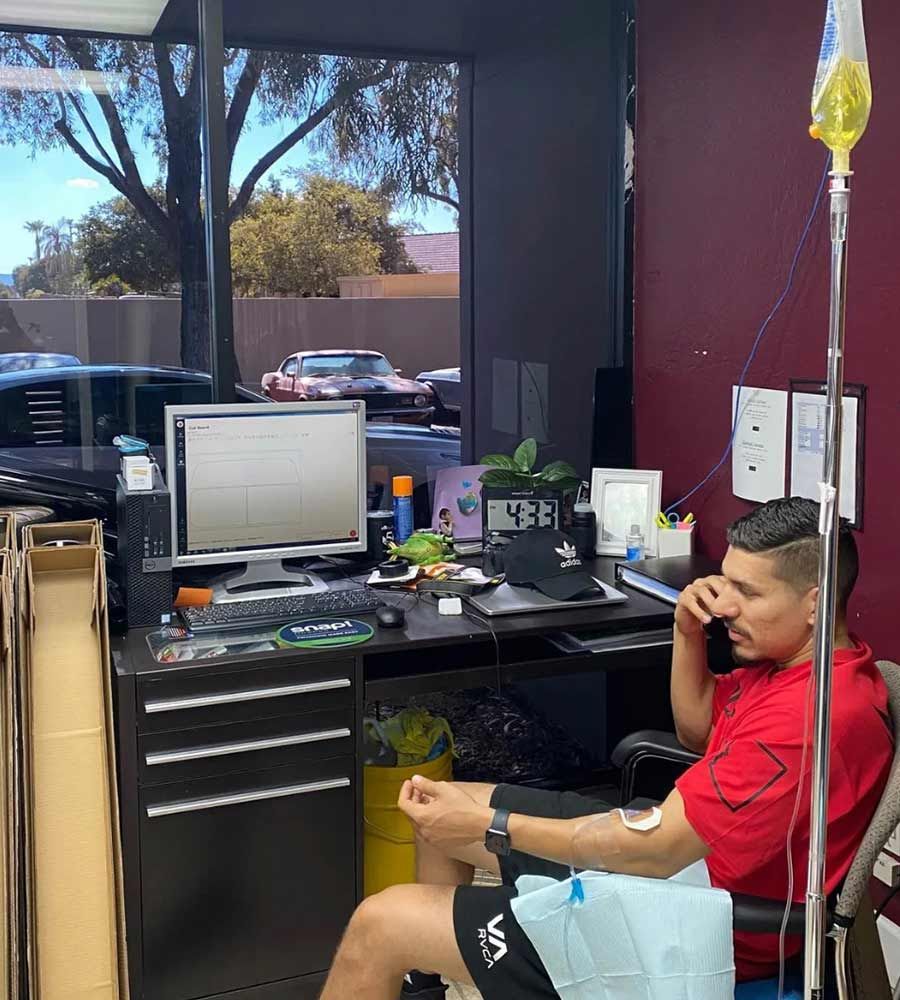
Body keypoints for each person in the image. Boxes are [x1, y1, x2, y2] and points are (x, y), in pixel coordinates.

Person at [319, 497, 893, 1000]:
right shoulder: (805, 668)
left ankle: (435, 950)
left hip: (699, 926)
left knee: (380, 923)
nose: (724, 607)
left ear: (815, 604)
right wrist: (686, 632)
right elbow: (698, 733)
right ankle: (460, 962)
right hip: (684, 862)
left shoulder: (805, 717)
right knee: (441, 807)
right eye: (725, 585)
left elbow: (657, 851)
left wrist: (496, 823)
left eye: (747, 592)